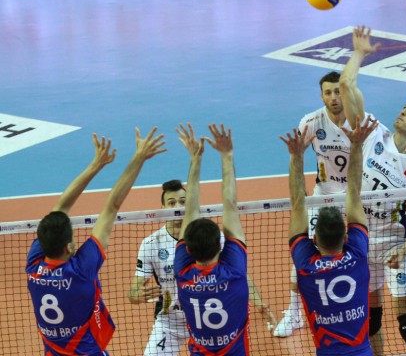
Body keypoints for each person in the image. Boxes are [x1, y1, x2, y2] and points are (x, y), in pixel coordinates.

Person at [273, 72, 406, 338]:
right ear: (322, 96)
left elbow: (353, 94)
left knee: (397, 243)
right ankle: (294, 313)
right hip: (327, 197)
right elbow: (296, 156)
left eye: (338, 91)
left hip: (356, 196)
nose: (334, 97)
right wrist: (303, 198)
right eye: (328, 92)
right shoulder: (313, 123)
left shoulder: (365, 128)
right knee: (306, 251)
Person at [340, 25, 406, 354]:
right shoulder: (372, 133)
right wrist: (359, 54)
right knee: (371, 322)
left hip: (397, 246)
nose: (403, 111)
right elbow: (346, 86)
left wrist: (405, 249)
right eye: (405, 106)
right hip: (362, 243)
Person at [26, 128, 166, 356]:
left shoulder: (34, 265)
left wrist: (96, 165)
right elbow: (112, 206)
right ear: (68, 247)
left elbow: (60, 208)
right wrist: (136, 158)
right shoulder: (81, 270)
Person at [129, 180, 276, 356]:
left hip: (208, 324)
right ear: (163, 208)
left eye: (183, 202)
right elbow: (134, 291)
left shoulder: (209, 236)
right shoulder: (150, 244)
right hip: (170, 323)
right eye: (172, 203)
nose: (178, 207)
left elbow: (238, 276)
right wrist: (135, 295)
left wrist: (260, 304)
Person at [280, 116, 376, 356]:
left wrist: (296, 156)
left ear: (314, 240)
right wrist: (356, 146)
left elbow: (298, 204)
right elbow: (353, 193)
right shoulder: (357, 255)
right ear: (346, 238)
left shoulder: (306, 266)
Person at [174, 123, 250, 355]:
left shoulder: (183, 273)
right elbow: (230, 205)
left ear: (188, 250)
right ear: (220, 245)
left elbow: (190, 209)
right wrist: (227, 156)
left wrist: (195, 159)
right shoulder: (234, 271)